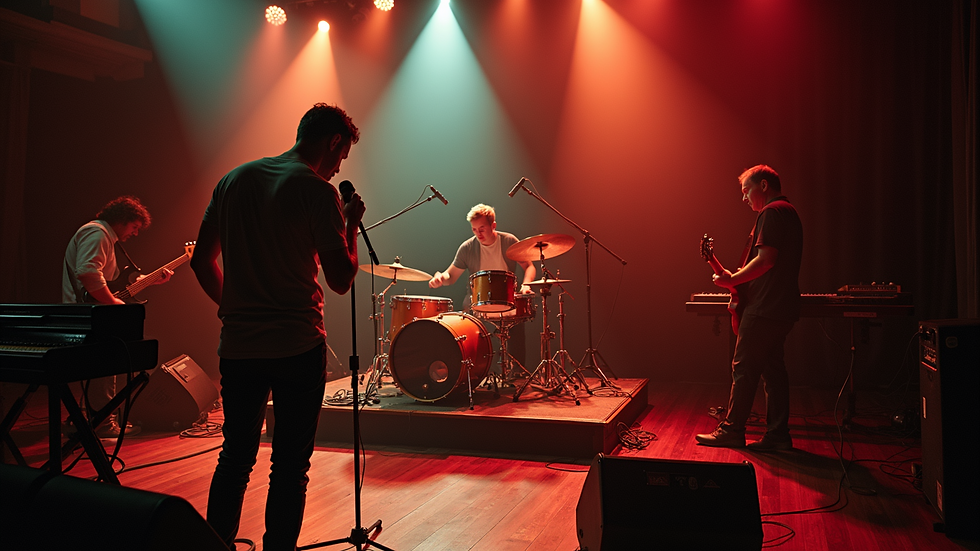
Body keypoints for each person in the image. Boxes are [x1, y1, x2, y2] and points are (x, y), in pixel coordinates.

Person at [191, 103, 364, 551]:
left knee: (234, 456)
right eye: (341, 155)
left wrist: (233, 306)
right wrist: (349, 225)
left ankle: (215, 546)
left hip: (239, 345)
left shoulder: (233, 180)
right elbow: (341, 281)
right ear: (333, 142)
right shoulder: (316, 191)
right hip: (296, 346)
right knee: (289, 466)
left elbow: (200, 261)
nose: (338, 166)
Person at [695, 165, 803, 450]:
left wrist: (733, 278)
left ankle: (732, 430)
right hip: (782, 307)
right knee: (773, 371)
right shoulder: (789, 213)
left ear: (764, 186)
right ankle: (778, 436)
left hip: (765, 307)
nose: (744, 199)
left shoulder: (771, 212)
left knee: (743, 369)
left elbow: (766, 260)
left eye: (746, 191)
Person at [62, 195, 172, 437]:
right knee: (105, 364)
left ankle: (91, 419)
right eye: (134, 227)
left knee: (99, 368)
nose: (134, 234)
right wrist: (113, 304)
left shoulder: (102, 235)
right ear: (122, 220)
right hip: (90, 313)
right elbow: (89, 273)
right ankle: (101, 423)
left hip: (90, 311)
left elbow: (115, 282)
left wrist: (150, 282)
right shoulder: (98, 233)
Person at [428, 204, 538, 372]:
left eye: (482, 229)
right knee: (468, 332)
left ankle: (518, 372)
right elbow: (451, 276)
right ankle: (476, 372)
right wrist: (441, 278)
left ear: (493, 225)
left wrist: (526, 285)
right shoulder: (467, 248)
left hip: (508, 302)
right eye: (474, 230)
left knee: (518, 323)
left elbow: (529, 266)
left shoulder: (509, 241)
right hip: (477, 305)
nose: (478, 234)